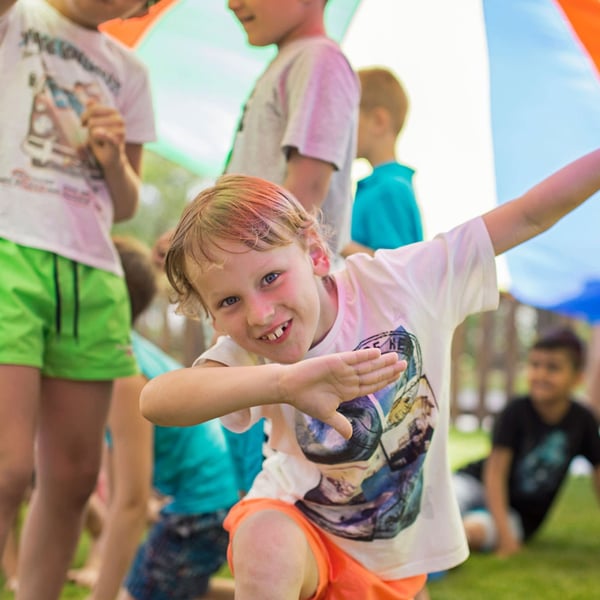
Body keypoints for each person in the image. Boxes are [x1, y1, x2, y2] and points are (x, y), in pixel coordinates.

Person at [140, 146, 600, 599]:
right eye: (229, 301)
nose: (259, 314)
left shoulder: (403, 282)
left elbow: (528, 216)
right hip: (303, 531)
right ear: (214, 318)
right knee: (263, 537)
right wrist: (285, 382)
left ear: (316, 254)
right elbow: (158, 400)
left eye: (270, 278)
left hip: (394, 556)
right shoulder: (250, 350)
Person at [0, 1, 156, 598]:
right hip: (11, 249)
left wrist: (113, 159)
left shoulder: (130, 73)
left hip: (93, 274)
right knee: (9, 467)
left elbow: (127, 203)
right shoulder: (21, 19)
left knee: (71, 478)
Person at [224, 0, 360, 496]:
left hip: (281, 323)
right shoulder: (287, 64)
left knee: (294, 497)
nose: (231, 3)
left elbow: (305, 186)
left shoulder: (319, 60)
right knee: (260, 493)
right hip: (258, 318)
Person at [70, 236, 238, 600]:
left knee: (141, 592)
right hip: (206, 497)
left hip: (206, 506)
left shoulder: (125, 374)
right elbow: (124, 499)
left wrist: (103, 594)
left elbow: (129, 507)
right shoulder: (118, 354)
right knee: (166, 583)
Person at [453, 327, 600, 558]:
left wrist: (505, 533)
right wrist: (506, 537)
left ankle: (447, 542)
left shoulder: (583, 421)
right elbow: (494, 474)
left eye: (553, 367)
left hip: (519, 514)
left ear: (578, 377)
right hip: (476, 483)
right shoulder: (515, 411)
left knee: (472, 532)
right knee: (446, 501)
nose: (540, 374)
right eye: (534, 365)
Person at [342, 67, 423, 258]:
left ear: (378, 121)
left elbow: (395, 266)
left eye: (348, 118)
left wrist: (337, 244)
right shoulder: (379, 187)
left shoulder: (389, 189)